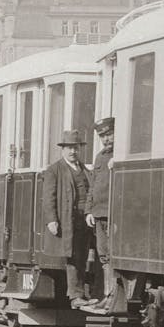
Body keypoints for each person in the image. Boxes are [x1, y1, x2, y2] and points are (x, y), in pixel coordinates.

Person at [42, 129, 95, 308]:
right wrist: (51, 219)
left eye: (76, 148)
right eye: (69, 148)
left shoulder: (84, 169)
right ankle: (75, 296)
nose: (73, 152)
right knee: (73, 257)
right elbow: (48, 197)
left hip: (84, 220)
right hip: (68, 221)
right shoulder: (54, 170)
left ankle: (81, 294)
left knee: (82, 257)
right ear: (62, 150)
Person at [81, 116, 116, 314]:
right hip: (100, 214)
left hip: (113, 214)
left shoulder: (119, 156)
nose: (106, 139)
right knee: (104, 257)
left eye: (109, 134)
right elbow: (93, 186)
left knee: (112, 256)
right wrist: (89, 210)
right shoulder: (101, 156)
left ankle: (112, 297)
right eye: (102, 136)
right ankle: (107, 295)